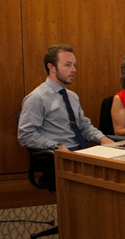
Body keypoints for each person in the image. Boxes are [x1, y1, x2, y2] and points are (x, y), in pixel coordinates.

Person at [18, 44, 113, 190]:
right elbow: (26, 135)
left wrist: (102, 139)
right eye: (68, 65)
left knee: (117, 169)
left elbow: (84, 126)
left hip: (79, 153)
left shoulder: (72, 97)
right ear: (51, 67)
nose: (74, 70)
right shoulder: (37, 98)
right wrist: (57, 146)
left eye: (74, 65)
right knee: (104, 179)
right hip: (57, 158)